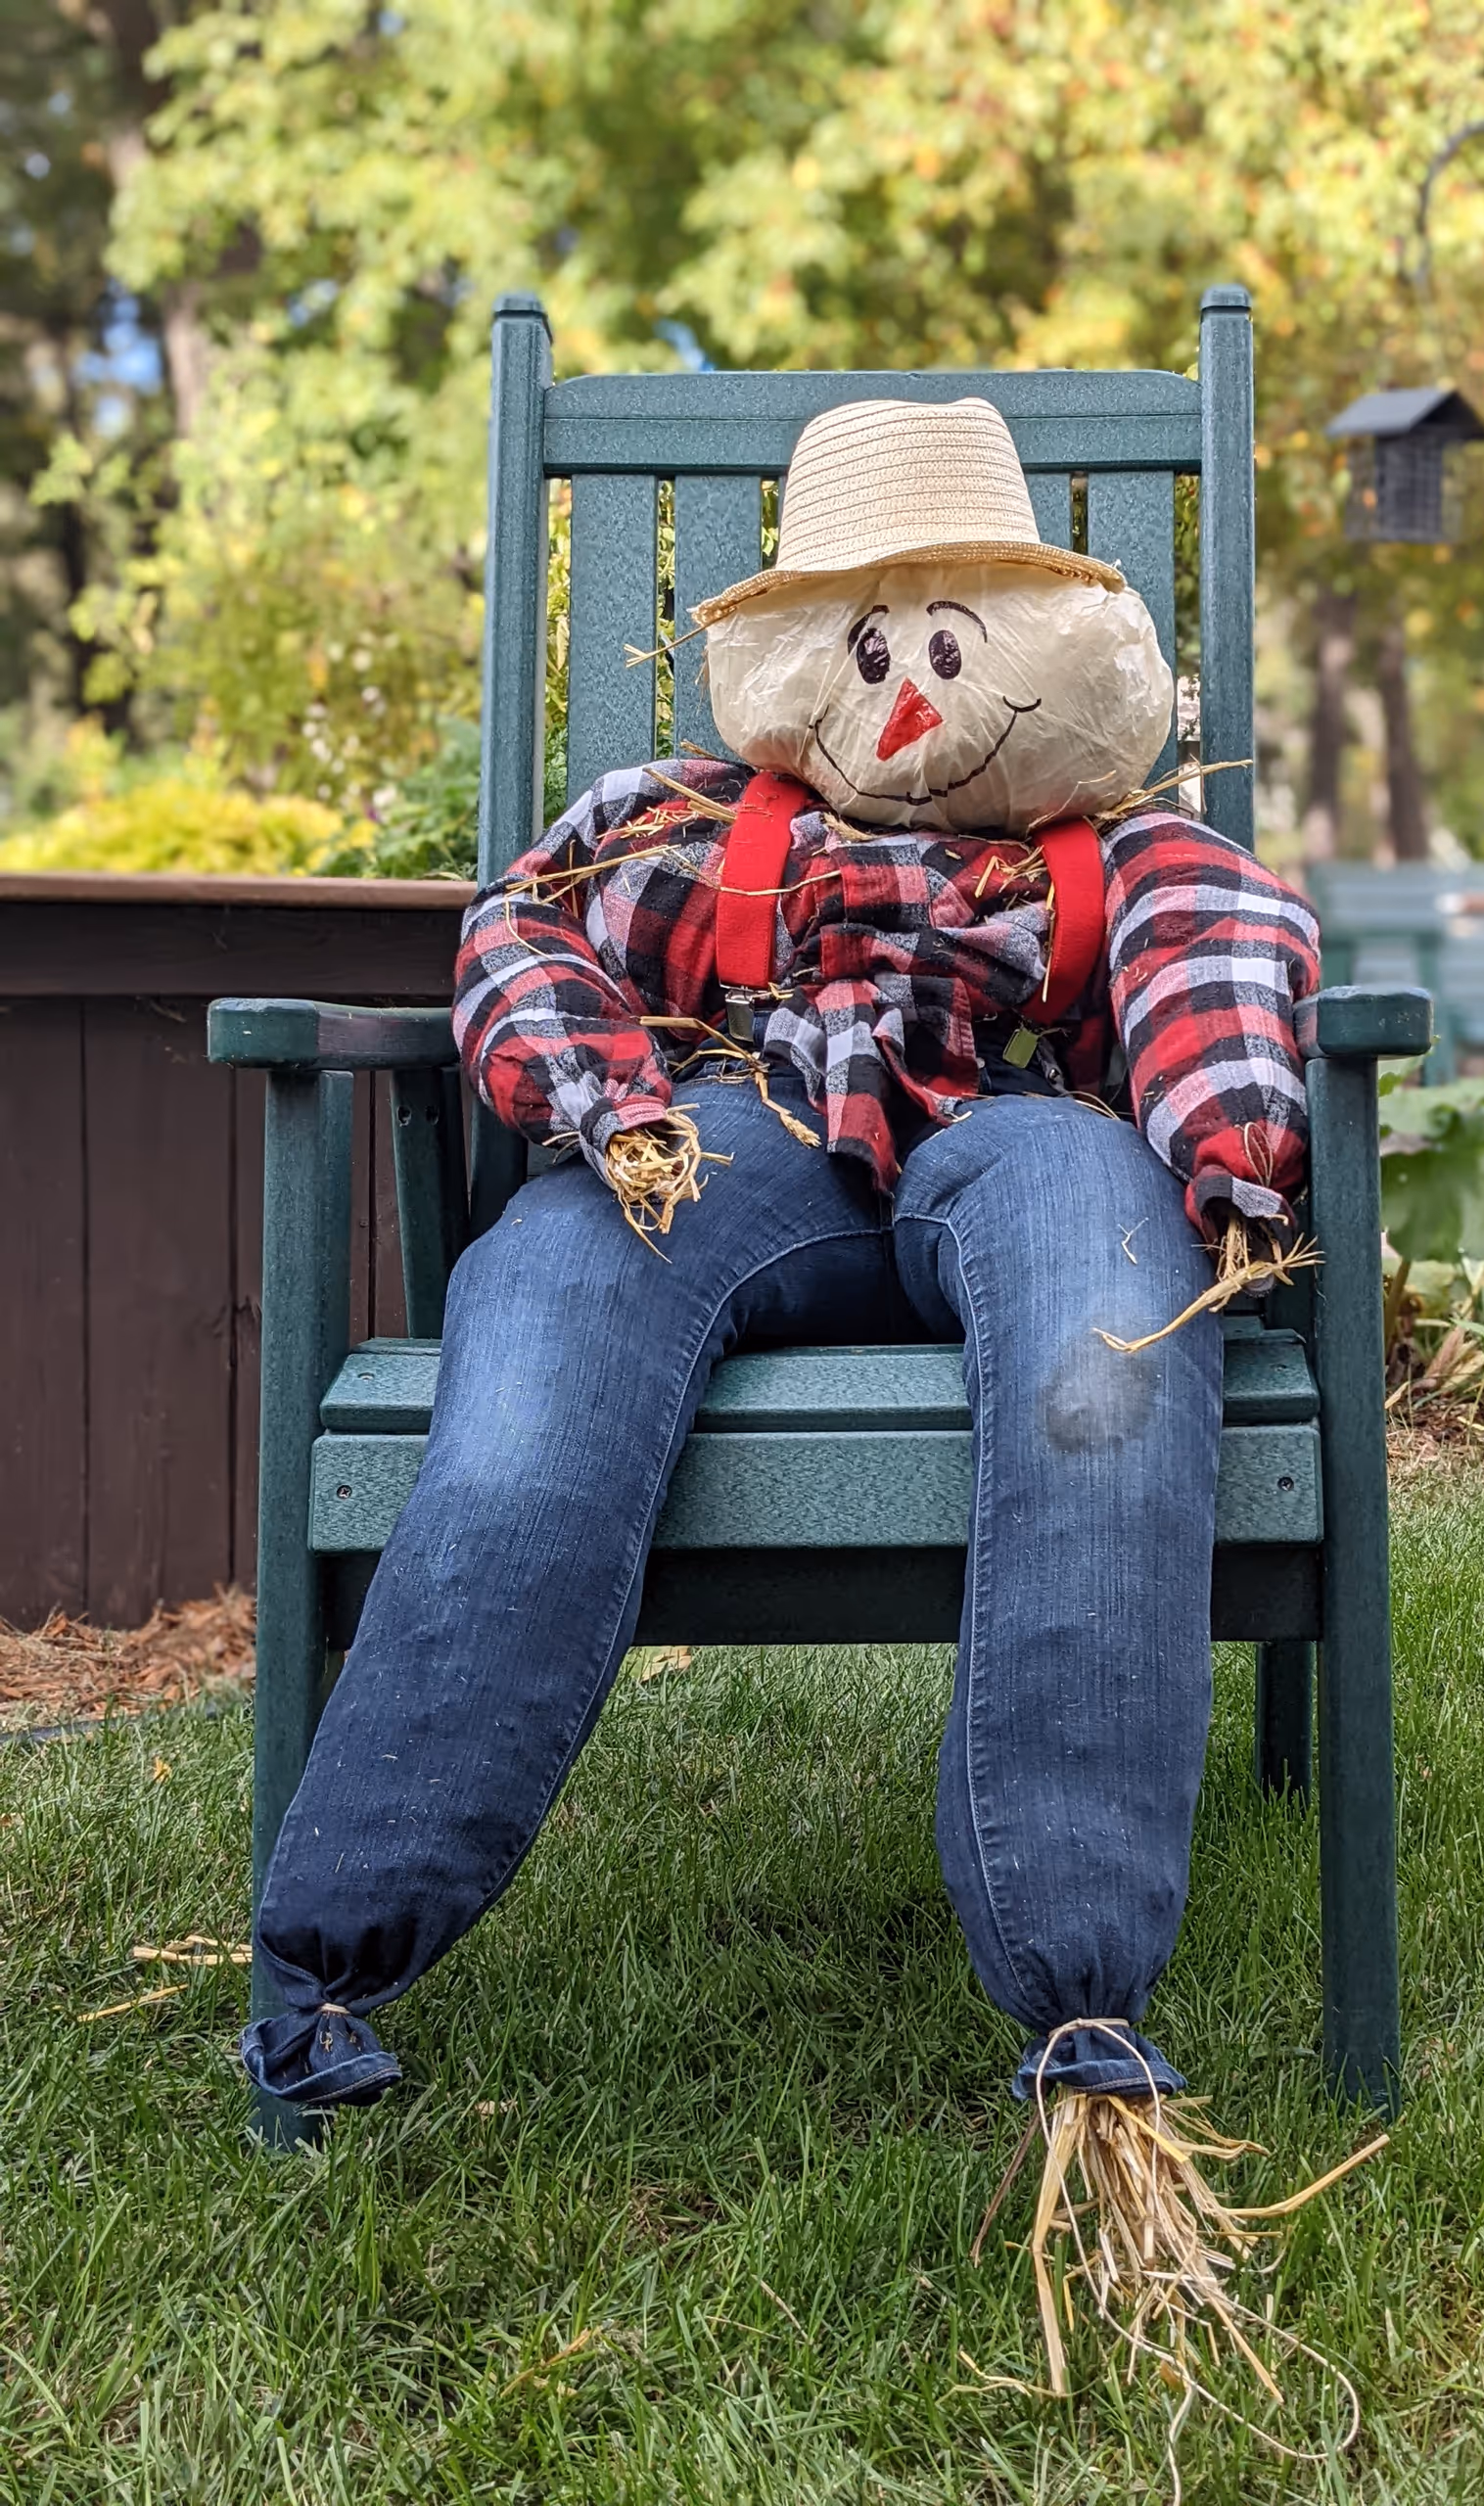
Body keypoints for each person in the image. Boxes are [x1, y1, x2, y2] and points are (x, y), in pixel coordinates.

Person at [241, 394, 1320, 2122]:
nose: (907, 697)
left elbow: (1226, 963)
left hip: (1029, 1124)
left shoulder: (1122, 850)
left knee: (1109, 1343)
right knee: (560, 1298)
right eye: (873, 647)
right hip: (736, 1123)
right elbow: (520, 923)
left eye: (956, 647)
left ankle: (1080, 1998)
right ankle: (330, 1959)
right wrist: (605, 1096)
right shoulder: (687, 823)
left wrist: (1227, 1152)